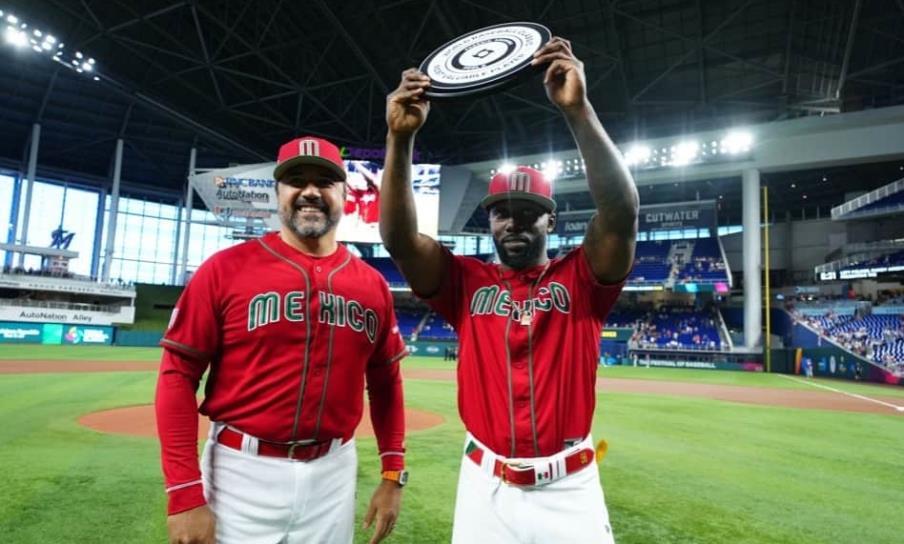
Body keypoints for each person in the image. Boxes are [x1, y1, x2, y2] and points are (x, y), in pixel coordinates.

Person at [381, 37, 639, 543]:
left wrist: (577, 110)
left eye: (528, 212)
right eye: (501, 212)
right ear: (489, 221)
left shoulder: (583, 277)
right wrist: (400, 140)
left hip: (569, 485)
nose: (513, 223)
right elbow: (399, 240)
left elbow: (621, 212)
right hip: (485, 485)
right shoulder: (463, 282)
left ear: (551, 219)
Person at [156, 136, 409, 544]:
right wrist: (185, 493)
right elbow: (176, 374)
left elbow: (386, 383)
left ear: (344, 193)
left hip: (334, 472)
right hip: (241, 472)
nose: (310, 191)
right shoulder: (224, 270)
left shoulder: (372, 285)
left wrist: (393, 472)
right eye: (295, 180)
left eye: (325, 181)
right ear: (278, 193)